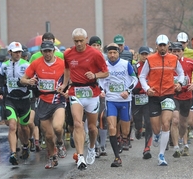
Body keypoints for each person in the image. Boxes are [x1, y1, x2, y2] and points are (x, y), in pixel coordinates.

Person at [57, 28, 109, 170]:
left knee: (92, 128)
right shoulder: (67, 54)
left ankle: (91, 147)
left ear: (86, 40)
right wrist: (64, 84)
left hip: (92, 92)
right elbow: (66, 70)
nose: (79, 43)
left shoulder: (95, 54)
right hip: (76, 92)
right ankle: (80, 156)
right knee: (78, 124)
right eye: (76, 41)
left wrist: (95, 75)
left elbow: (105, 72)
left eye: (81, 40)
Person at [139, 34, 185, 166]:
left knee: (166, 123)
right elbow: (142, 76)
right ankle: (157, 135)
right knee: (156, 128)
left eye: (165, 45)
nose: (163, 48)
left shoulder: (173, 59)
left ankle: (161, 155)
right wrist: (147, 88)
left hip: (168, 94)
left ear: (168, 45)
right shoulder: (150, 59)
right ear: (156, 45)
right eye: (160, 45)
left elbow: (181, 73)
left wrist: (180, 84)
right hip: (153, 96)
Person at [20, 41, 67, 169]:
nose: (47, 53)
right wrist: (29, 81)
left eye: (49, 51)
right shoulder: (36, 63)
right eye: (45, 51)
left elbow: (70, 79)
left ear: (53, 51)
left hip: (58, 100)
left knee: (57, 127)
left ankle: (61, 142)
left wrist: (66, 89)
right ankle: (52, 157)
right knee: (48, 135)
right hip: (43, 101)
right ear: (41, 52)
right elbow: (22, 79)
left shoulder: (62, 64)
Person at [99, 43, 138, 167]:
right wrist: (102, 90)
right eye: (110, 53)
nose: (112, 55)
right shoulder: (104, 65)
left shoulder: (126, 64)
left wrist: (127, 91)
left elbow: (135, 79)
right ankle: (117, 157)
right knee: (112, 127)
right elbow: (100, 80)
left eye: (114, 52)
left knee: (125, 131)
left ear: (118, 53)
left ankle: (122, 139)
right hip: (111, 100)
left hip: (125, 101)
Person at [0, 42, 31, 165]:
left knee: (24, 127)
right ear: (9, 52)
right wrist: (0, 88)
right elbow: (0, 79)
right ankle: (13, 153)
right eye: (16, 52)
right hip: (10, 99)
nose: (18, 54)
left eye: (20, 52)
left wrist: (26, 83)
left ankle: (26, 145)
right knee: (12, 126)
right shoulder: (4, 65)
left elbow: (33, 80)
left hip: (24, 100)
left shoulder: (26, 65)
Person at [170, 42, 193, 157]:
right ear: (171, 52)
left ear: (182, 52)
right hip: (173, 96)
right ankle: (176, 147)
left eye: (178, 51)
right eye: (174, 51)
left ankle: (182, 140)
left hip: (187, 96)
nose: (176, 53)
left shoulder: (190, 62)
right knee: (175, 120)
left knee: (183, 123)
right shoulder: (167, 63)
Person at [89, 36, 108, 157]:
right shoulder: (86, 59)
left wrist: (104, 90)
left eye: (98, 45)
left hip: (102, 92)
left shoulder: (105, 59)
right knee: (92, 122)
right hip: (89, 92)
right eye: (94, 45)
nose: (96, 47)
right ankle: (94, 145)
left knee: (103, 117)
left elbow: (108, 75)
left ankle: (102, 145)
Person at [132, 46, 153, 159]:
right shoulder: (135, 67)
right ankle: (138, 129)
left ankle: (147, 148)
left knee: (149, 122)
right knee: (138, 120)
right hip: (137, 98)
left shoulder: (153, 66)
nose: (145, 56)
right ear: (139, 55)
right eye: (143, 54)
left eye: (147, 54)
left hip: (149, 98)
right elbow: (131, 80)